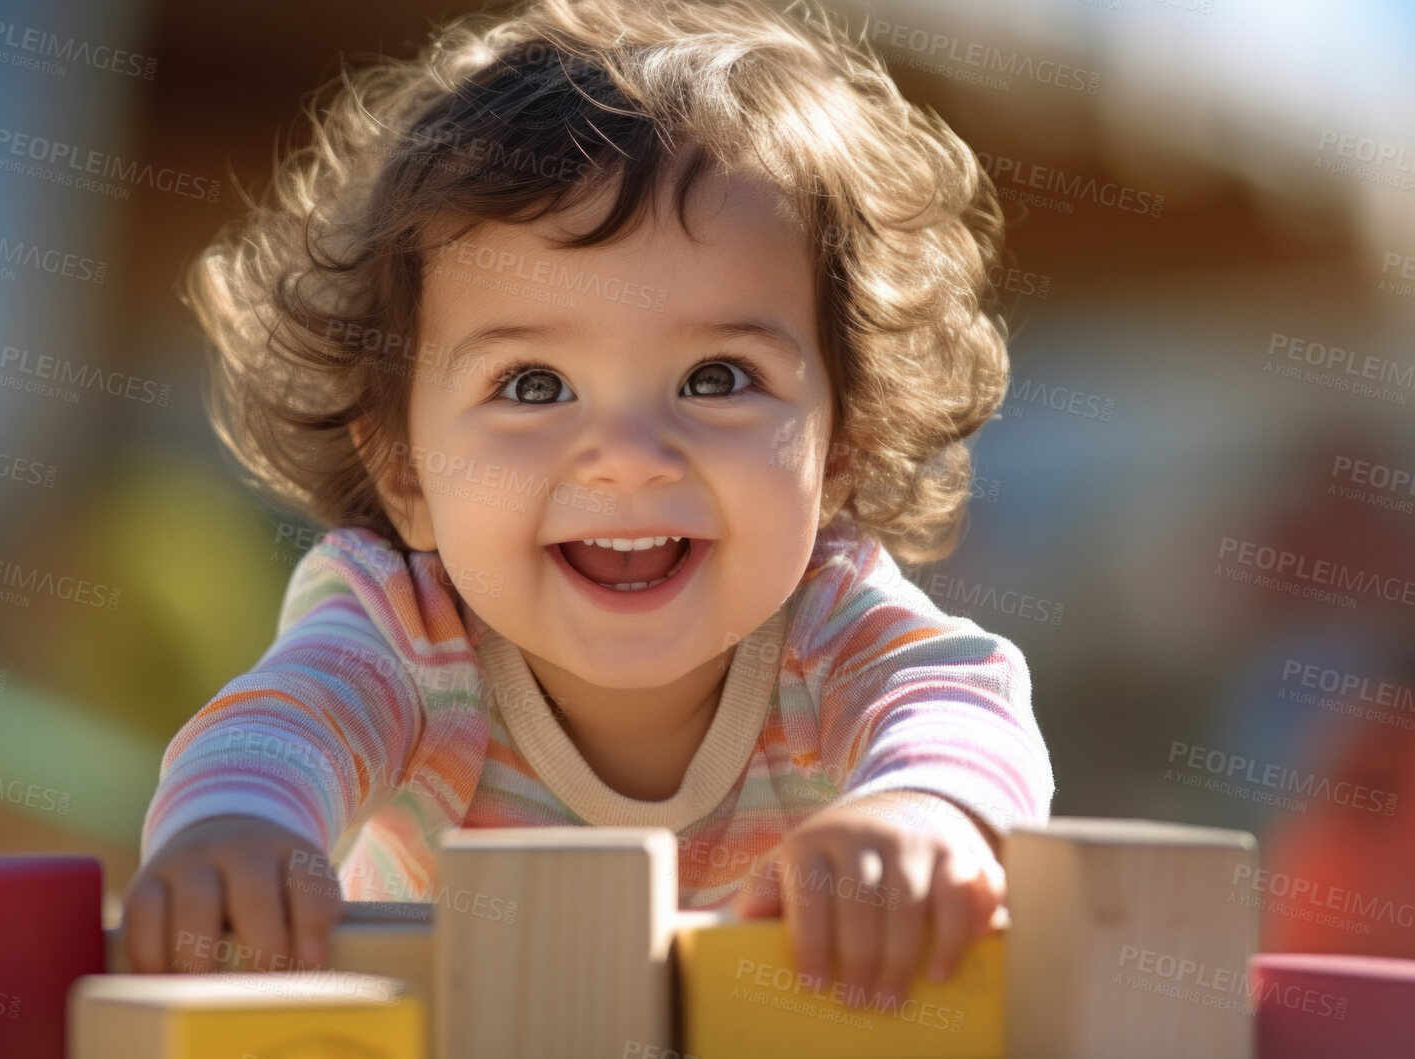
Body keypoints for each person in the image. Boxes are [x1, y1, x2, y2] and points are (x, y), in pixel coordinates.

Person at [127, 0, 1054, 1011]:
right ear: (405, 474)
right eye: (531, 385)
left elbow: (958, 701)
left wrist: (925, 811)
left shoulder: (831, 630)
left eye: (714, 377)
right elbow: (283, 724)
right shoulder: (405, 637)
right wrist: (235, 829)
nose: (626, 459)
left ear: (841, 451)